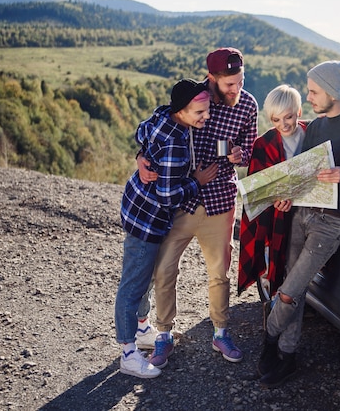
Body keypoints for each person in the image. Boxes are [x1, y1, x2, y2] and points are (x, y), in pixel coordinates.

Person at [258, 60, 340, 388]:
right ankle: (288, 356)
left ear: (330, 90)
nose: (309, 97)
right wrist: (286, 195)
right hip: (303, 212)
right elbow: (304, 173)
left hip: (332, 222)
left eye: (313, 91)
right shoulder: (315, 127)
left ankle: (268, 342)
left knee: (287, 293)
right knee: (294, 289)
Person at [137, 47, 259, 368]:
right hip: (180, 201)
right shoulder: (194, 98)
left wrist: (240, 156)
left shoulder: (247, 104)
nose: (236, 90)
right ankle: (163, 334)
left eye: (240, 81)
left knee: (219, 274)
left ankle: (220, 332)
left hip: (220, 201)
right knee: (164, 270)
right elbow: (157, 128)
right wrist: (141, 156)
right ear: (212, 79)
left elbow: (250, 147)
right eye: (229, 84)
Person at [114, 79, 217, 378]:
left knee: (144, 276)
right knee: (132, 285)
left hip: (134, 205)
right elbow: (167, 196)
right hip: (147, 220)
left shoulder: (162, 115)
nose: (205, 117)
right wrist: (197, 181)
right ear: (182, 111)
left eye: (207, 110)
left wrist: (142, 155)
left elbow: (140, 131)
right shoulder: (176, 146)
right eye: (199, 112)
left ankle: (143, 329)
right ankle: (128, 353)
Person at [238, 85, 307, 303]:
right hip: (278, 215)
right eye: (276, 120)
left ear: (299, 112)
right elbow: (257, 190)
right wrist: (276, 198)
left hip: (310, 210)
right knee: (278, 264)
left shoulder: (313, 134)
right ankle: (276, 305)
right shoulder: (263, 144)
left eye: (288, 117)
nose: (283, 124)